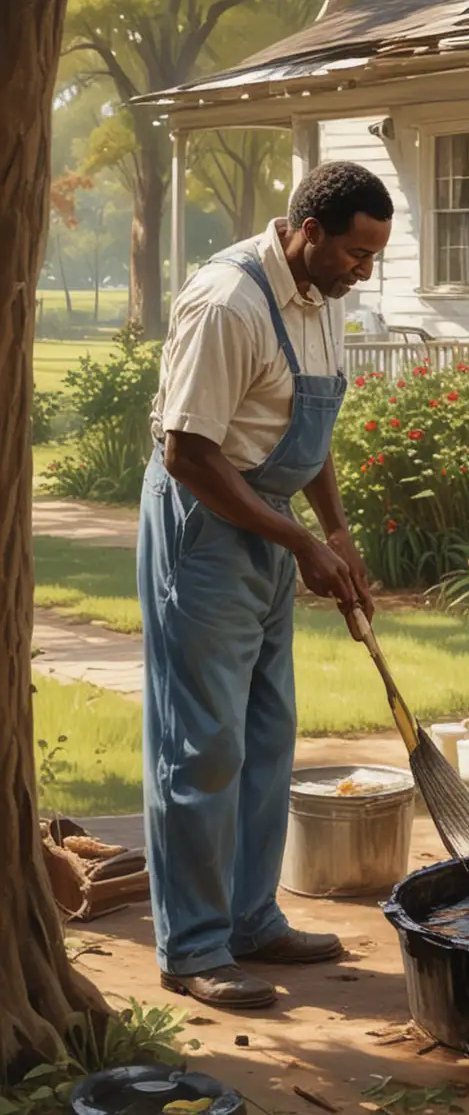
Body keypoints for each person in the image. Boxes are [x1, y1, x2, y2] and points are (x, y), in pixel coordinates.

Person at [139, 162, 393, 1009]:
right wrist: (298, 541)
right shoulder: (229, 303)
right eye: (358, 253)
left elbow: (310, 431)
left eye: (375, 258)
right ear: (310, 231)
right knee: (203, 745)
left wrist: (338, 535)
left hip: (270, 523)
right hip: (207, 526)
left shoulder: (322, 303)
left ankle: (252, 919)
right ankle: (194, 948)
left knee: (265, 734)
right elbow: (189, 452)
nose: (365, 271)